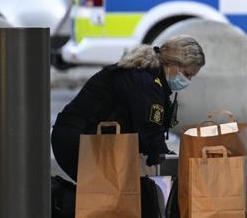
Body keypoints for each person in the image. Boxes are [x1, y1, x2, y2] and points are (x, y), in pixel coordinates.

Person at [50, 36, 205, 216]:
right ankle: (57, 200)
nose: (188, 80)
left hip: (83, 138)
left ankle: (59, 200)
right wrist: (164, 161)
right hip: (77, 141)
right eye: (186, 74)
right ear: (173, 64)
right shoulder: (145, 81)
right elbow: (150, 130)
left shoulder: (148, 75)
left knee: (110, 196)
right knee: (106, 198)